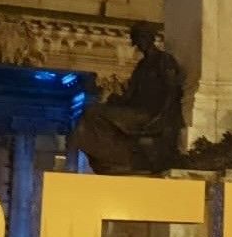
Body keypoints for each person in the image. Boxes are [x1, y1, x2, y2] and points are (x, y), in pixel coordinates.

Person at [70, 22, 185, 175]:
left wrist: (160, 117)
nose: (139, 44)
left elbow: (172, 91)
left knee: (95, 113)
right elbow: (129, 95)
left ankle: (117, 156)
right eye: (137, 40)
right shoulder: (141, 66)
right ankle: (110, 155)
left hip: (149, 113)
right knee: (91, 112)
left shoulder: (164, 60)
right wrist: (114, 99)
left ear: (151, 38)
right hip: (136, 111)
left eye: (142, 38)